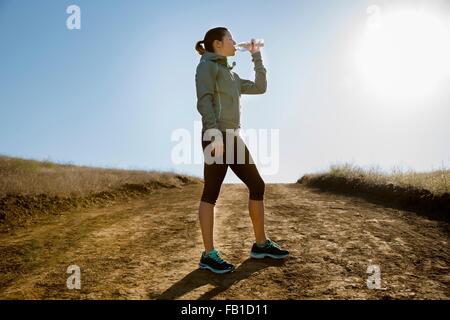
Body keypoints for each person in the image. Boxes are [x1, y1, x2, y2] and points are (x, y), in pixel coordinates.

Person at [194, 27, 289, 274]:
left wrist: (255, 55)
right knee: (211, 192)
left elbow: (260, 87)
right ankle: (208, 255)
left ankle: (260, 245)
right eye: (230, 39)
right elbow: (204, 100)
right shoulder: (207, 66)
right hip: (215, 136)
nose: (235, 42)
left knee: (257, 185)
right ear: (217, 44)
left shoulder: (232, 76)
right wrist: (214, 134)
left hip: (234, 138)